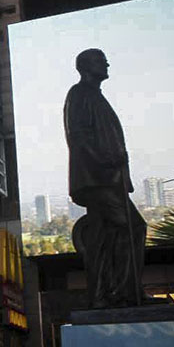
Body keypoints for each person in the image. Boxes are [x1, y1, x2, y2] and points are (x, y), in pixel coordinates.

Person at [64, 48, 146, 308]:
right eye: (101, 60)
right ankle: (125, 293)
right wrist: (104, 161)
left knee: (103, 238)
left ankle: (104, 295)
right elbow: (78, 136)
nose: (107, 64)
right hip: (99, 180)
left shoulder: (93, 96)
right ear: (86, 66)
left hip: (106, 179)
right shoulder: (80, 94)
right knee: (133, 227)